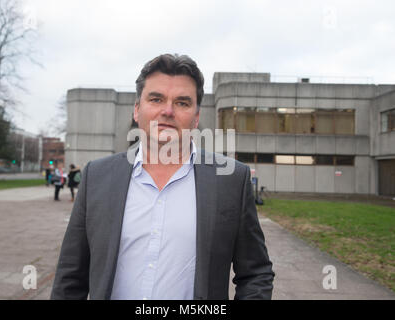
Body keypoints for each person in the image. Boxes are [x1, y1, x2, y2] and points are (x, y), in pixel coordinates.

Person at [51, 54, 274, 300]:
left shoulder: (230, 180)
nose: (167, 111)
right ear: (137, 110)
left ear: (196, 117)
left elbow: (255, 273)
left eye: (182, 103)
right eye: (156, 99)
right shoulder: (97, 177)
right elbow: (70, 276)